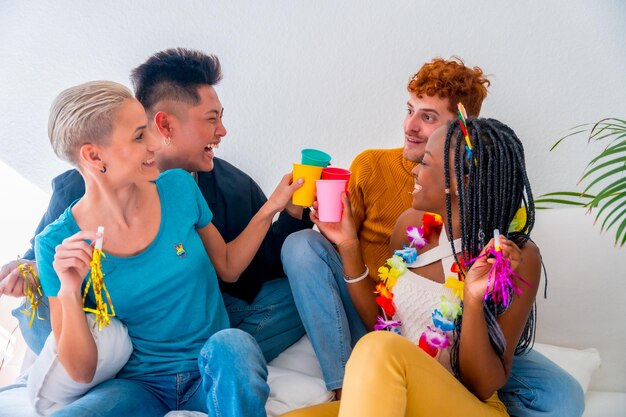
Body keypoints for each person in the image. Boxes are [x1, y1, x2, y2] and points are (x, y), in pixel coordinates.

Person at [281, 58, 584, 416]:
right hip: (398, 385)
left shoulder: (514, 255)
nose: (414, 169)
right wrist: (347, 244)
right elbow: (382, 321)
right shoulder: (411, 225)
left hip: (461, 399)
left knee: (379, 349)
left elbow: (482, 384)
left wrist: (472, 298)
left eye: (426, 160)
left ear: (462, 171)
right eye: (411, 112)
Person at [0, 48, 311, 363]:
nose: (222, 131)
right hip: (119, 338)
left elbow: (248, 269)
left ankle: (205, 365)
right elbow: (39, 259)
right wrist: (34, 274)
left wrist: (288, 213)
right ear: (165, 126)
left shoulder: (230, 189)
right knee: (34, 311)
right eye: (211, 118)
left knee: (294, 297)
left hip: (204, 325)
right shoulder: (73, 191)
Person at [35, 80, 300, 416]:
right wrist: (71, 292)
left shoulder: (177, 188)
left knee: (235, 344)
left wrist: (272, 206)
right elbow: (82, 371)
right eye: (139, 136)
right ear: (93, 155)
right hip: (140, 387)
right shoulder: (55, 245)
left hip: (211, 368)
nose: (156, 143)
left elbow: (229, 266)